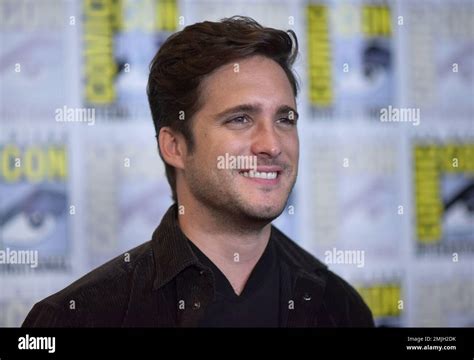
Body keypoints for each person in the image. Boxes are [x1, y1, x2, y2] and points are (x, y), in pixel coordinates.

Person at [22, 16, 374, 327]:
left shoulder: (341, 308)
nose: (272, 144)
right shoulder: (77, 317)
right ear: (175, 146)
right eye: (240, 119)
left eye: (285, 119)